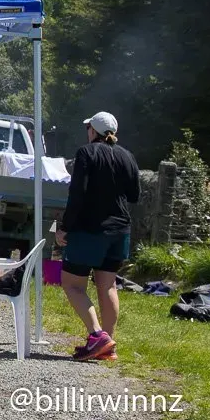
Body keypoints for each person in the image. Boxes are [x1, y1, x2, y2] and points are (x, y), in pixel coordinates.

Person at [57, 111, 141, 362]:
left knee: (72, 284)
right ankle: (108, 344)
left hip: (90, 229)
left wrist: (65, 227)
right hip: (120, 230)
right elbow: (134, 195)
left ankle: (97, 336)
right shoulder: (127, 156)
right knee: (108, 285)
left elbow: (77, 193)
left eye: (88, 129)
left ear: (92, 131)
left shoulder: (86, 153)